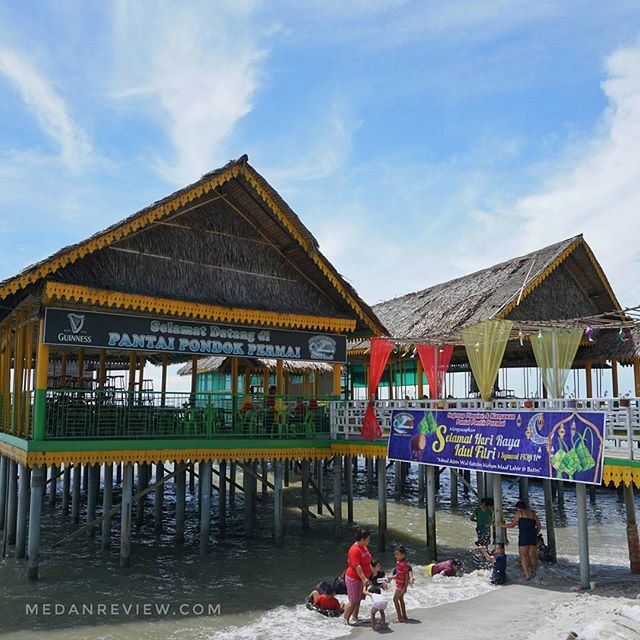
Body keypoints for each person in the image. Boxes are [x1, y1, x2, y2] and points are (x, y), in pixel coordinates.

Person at [499, 500, 541, 580]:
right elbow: (539, 526)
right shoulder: (533, 514)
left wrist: (502, 526)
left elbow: (512, 525)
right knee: (532, 556)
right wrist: (535, 533)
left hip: (523, 536)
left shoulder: (519, 513)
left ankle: (526, 575)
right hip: (532, 536)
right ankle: (533, 572)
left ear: (518, 508)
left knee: (523, 555)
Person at [343, 528, 372, 626]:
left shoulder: (364, 547)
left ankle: (355, 617)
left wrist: (372, 572)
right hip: (353, 578)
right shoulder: (354, 550)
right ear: (362, 539)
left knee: (358, 599)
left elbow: (368, 561)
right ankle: (345, 620)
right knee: (353, 600)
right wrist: (364, 578)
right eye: (368, 539)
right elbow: (357, 566)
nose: (369, 541)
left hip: (361, 578)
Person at [392, 545, 410, 623]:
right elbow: (399, 574)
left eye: (397, 554)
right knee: (400, 599)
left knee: (395, 599)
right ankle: (404, 616)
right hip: (398, 584)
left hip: (401, 586)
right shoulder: (398, 562)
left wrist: (405, 588)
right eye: (395, 554)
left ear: (403, 555)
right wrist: (391, 577)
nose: (396, 556)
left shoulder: (404, 564)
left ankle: (400, 617)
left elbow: (407, 577)